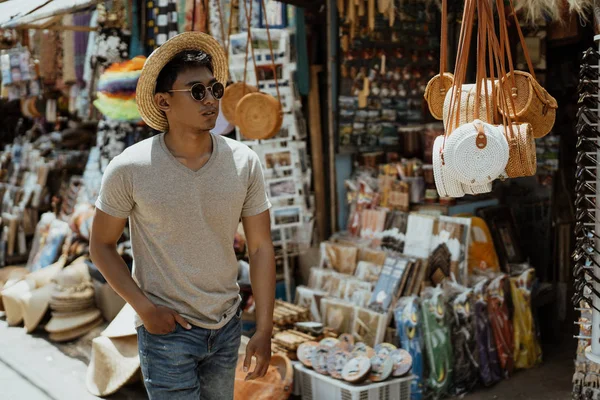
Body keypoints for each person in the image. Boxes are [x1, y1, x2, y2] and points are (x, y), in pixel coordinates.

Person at [90, 32, 276, 400]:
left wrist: (265, 328)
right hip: (166, 334)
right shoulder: (130, 168)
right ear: (163, 102)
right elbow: (101, 244)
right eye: (196, 91)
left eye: (214, 89)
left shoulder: (244, 162)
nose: (210, 100)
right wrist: (144, 309)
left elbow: (260, 248)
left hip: (227, 327)